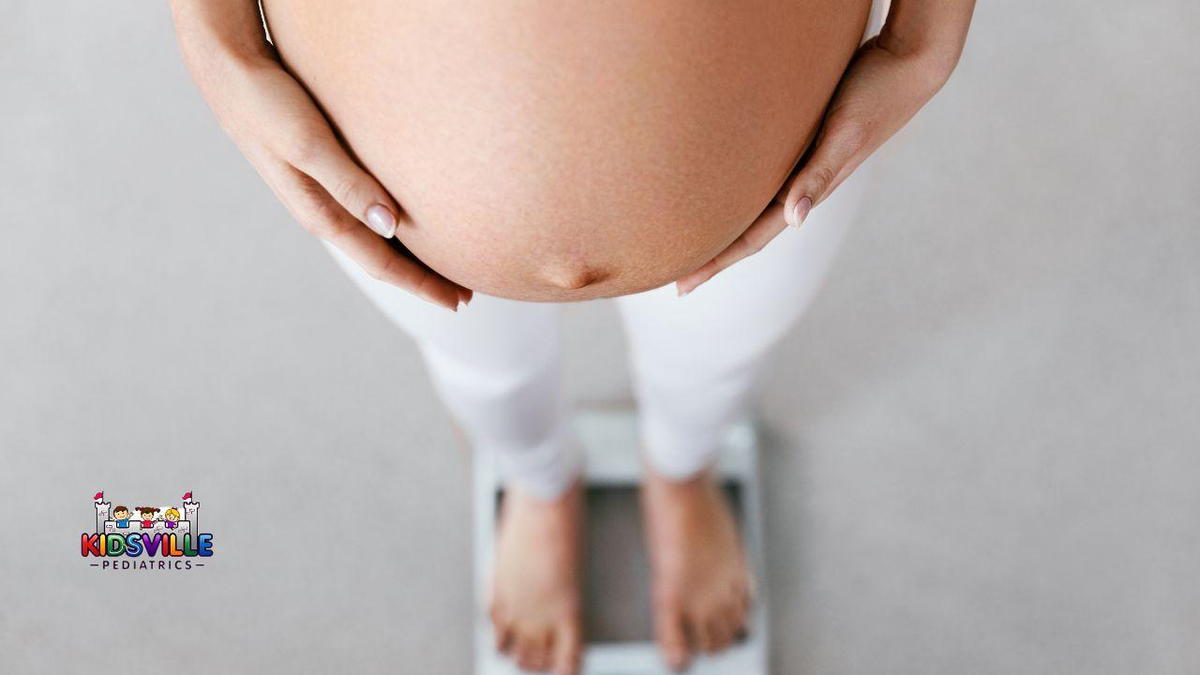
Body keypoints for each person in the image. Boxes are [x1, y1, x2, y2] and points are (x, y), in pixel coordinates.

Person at [168, 2, 974, 672]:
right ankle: (537, 482)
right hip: (384, 187)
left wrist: (927, 34)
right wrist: (216, 41)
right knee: (486, 378)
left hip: (785, 145)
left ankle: (681, 472)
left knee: (719, 361)